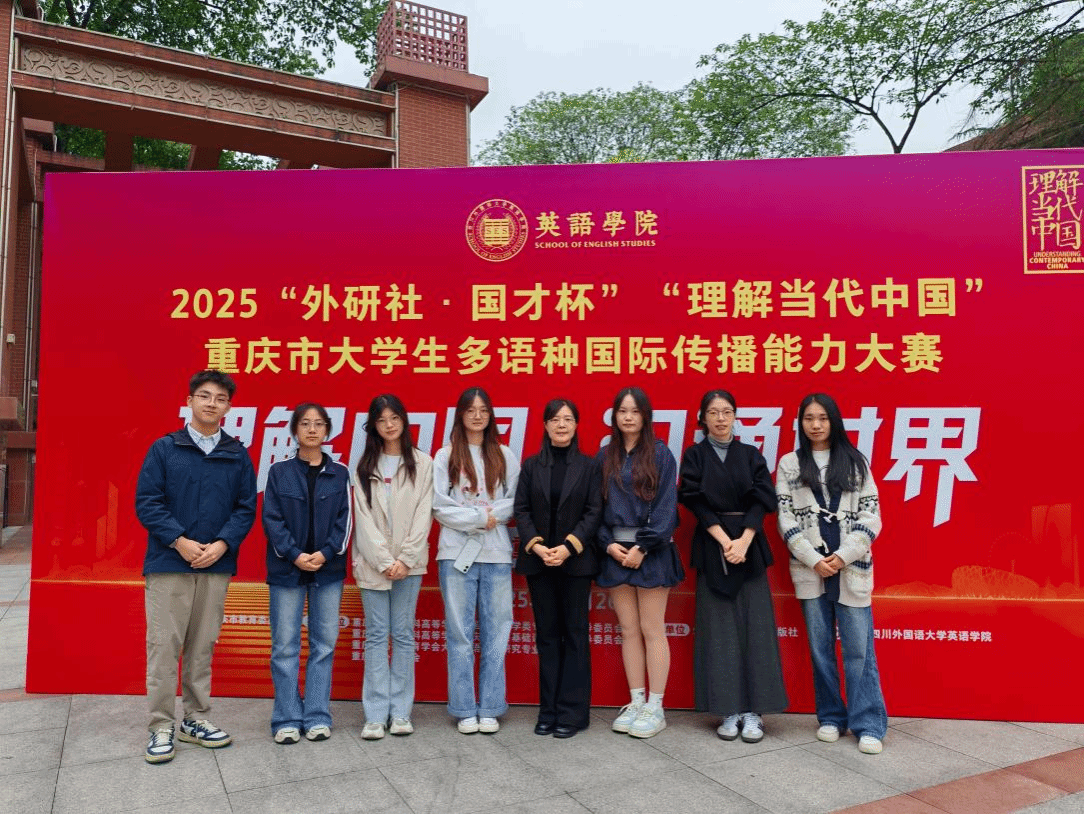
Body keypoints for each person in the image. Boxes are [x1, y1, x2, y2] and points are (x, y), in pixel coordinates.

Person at [135, 369, 257, 763]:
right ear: (189, 401)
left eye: (220, 399)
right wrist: (180, 541)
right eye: (204, 396)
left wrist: (222, 544)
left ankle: (196, 719)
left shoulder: (236, 454)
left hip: (215, 565)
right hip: (170, 562)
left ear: (228, 407)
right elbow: (148, 502)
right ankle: (161, 726)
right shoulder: (165, 448)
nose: (211, 404)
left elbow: (245, 508)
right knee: (164, 647)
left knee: (202, 646)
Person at [775, 393, 887, 755]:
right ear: (801, 423)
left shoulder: (855, 463)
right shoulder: (790, 464)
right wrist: (813, 559)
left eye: (822, 418)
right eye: (809, 418)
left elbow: (872, 516)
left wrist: (841, 557)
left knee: (858, 651)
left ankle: (868, 724)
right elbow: (785, 519)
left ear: (834, 421)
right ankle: (830, 717)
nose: (816, 425)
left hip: (852, 569)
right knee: (820, 650)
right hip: (811, 572)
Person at [678, 389, 787, 744]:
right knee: (719, 631)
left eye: (726, 412)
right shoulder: (694, 456)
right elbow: (693, 499)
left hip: (750, 547)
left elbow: (763, 497)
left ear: (735, 416)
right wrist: (725, 540)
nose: (721, 418)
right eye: (713, 412)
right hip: (713, 546)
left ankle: (755, 712)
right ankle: (728, 710)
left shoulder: (750, 454)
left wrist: (743, 540)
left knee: (756, 629)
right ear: (703, 418)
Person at [262, 403, 352, 745]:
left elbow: (346, 520)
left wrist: (326, 553)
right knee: (284, 646)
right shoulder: (279, 472)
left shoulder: (340, 473)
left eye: (318, 424)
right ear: (294, 430)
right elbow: (271, 519)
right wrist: (295, 554)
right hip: (287, 569)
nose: (312, 429)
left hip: (328, 571)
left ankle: (316, 716)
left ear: (327, 430)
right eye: (305, 423)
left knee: (323, 645)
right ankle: (286, 718)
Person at [433, 387, 520, 734]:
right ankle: (464, 707)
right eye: (471, 410)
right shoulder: (445, 456)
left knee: (498, 631)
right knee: (460, 633)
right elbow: (439, 505)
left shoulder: (503, 454)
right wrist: (480, 517)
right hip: (456, 554)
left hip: (496, 554)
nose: (477, 416)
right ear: (461, 415)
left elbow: (515, 501)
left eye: (483, 410)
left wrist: (485, 515)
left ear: (490, 415)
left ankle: (491, 706)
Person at [514, 398, 602, 738]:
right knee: (547, 637)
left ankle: (573, 714)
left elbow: (594, 511)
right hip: (539, 562)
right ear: (546, 425)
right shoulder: (531, 465)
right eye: (555, 419)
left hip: (575, 561)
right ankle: (548, 711)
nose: (561, 424)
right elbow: (521, 510)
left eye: (567, 419)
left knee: (575, 635)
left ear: (576, 425)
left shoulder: (590, 466)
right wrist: (537, 546)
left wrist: (567, 547)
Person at [596, 386, 682, 739]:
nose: (628, 417)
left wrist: (643, 547)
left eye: (635, 411)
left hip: (652, 552)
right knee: (628, 629)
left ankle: (655, 707)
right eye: (622, 411)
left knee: (652, 628)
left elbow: (667, 507)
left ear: (646, 416)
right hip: (616, 552)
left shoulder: (661, 454)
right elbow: (595, 507)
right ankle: (635, 701)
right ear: (614, 416)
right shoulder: (605, 455)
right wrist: (608, 545)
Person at [352, 394, 434, 740]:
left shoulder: (422, 463)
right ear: (373, 425)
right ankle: (374, 715)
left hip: (409, 566)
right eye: (382, 419)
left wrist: (405, 559)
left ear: (404, 420)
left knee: (402, 635)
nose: (389, 425)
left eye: (394, 417)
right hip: (374, 566)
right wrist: (385, 561)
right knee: (375, 636)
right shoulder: (364, 465)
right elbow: (362, 519)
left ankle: (400, 713)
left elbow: (424, 513)